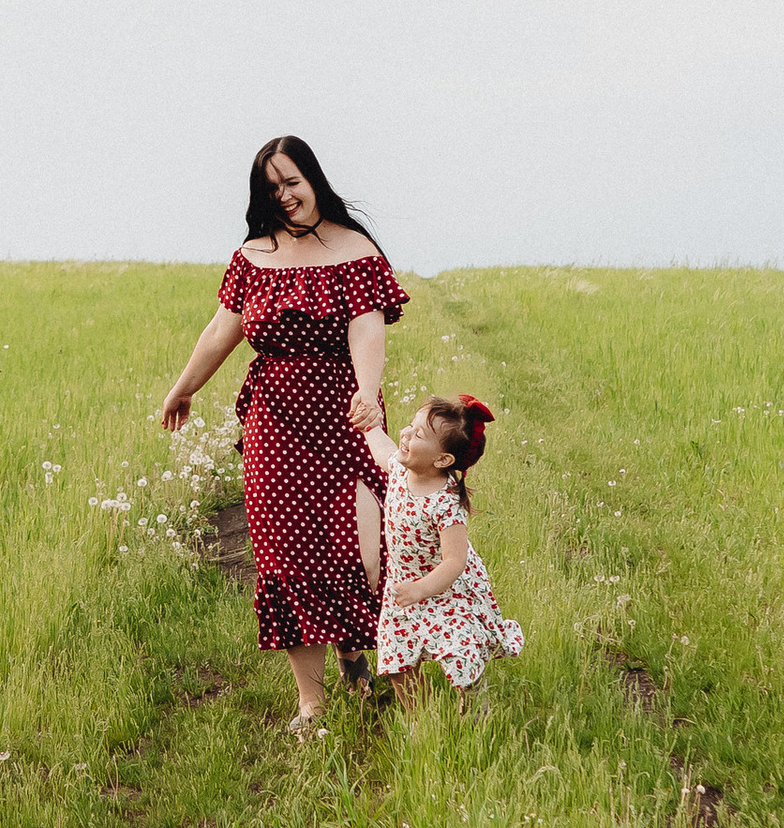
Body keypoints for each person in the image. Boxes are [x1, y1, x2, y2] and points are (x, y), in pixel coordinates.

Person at [158, 136, 407, 732]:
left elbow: (367, 330)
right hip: (274, 425)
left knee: (367, 549)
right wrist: (184, 387)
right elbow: (223, 329)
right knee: (287, 559)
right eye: (272, 188)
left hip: (346, 417)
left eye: (291, 182)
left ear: (313, 178)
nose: (284, 196)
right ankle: (311, 705)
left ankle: (358, 654)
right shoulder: (254, 255)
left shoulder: (356, 250)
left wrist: (368, 396)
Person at [360, 397, 525, 701]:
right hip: (403, 586)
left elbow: (454, 561)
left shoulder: (446, 503)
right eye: (411, 425)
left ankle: (475, 708)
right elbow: (381, 449)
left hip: (446, 591)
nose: (406, 433)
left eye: (419, 434)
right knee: (397, 660)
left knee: (460, 653)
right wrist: (370, 422)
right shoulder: (399, 469)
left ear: (442, 460)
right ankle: (419, 721)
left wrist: (422, 590)